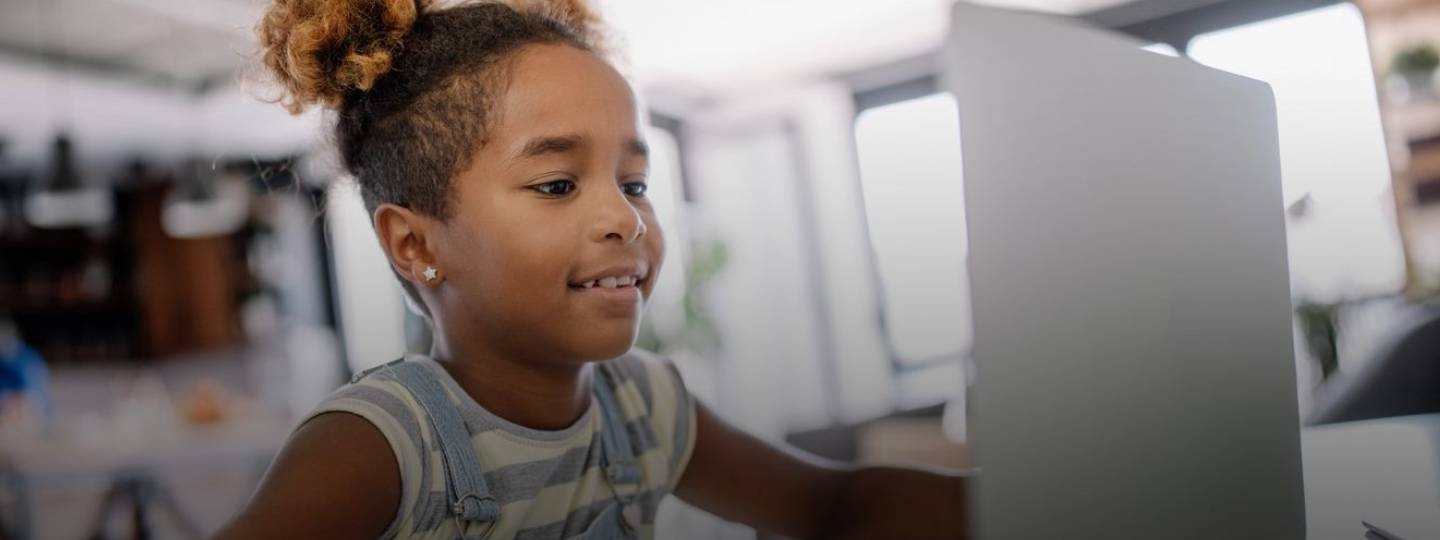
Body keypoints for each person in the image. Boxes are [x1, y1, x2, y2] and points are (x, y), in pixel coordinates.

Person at [217, 0, 967, 538]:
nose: (626, 219)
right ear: (416, 247)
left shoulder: (642, 409)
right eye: (557, 185)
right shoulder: (382, 443)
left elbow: (829, 508)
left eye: (634, 183)